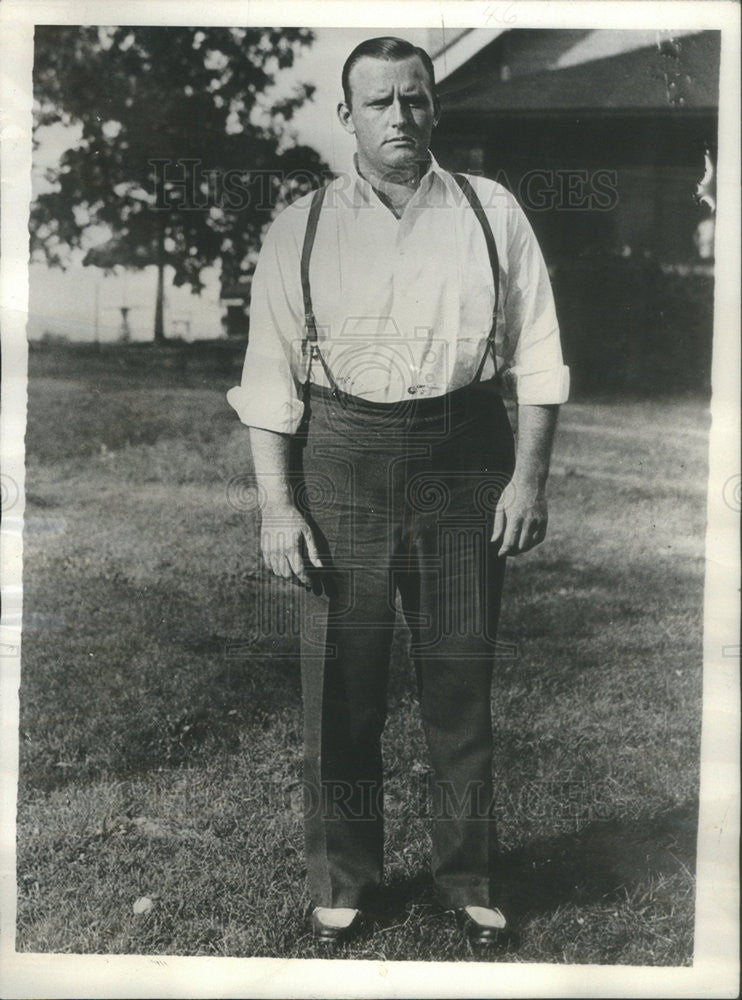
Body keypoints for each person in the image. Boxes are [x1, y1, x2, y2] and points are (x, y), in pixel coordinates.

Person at [227, 36, 569, 948]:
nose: (400, 120)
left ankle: (471, 877)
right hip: (343, 459)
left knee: (460, 678)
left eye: (415, 100)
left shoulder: (492, 214)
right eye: (378, 104)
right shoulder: (300, 228)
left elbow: (537, 355)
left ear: (436, 108)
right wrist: (277, 506)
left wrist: (528, 478)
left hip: (465, 455)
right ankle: (343, 877)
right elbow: (269, 381)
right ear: (347, 117)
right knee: (342, 683)